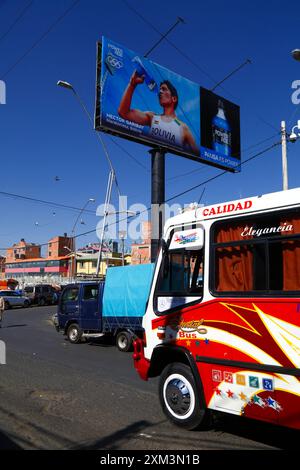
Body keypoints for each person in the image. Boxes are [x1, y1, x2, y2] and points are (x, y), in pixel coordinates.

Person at [118, 71, 198, 153]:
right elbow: (124, 113)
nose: (160, 92)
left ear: (174, 98)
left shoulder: (183, 128)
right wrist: (132, 84)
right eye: (160, 89)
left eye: (164, 89)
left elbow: (198, 154)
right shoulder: (152, 117)